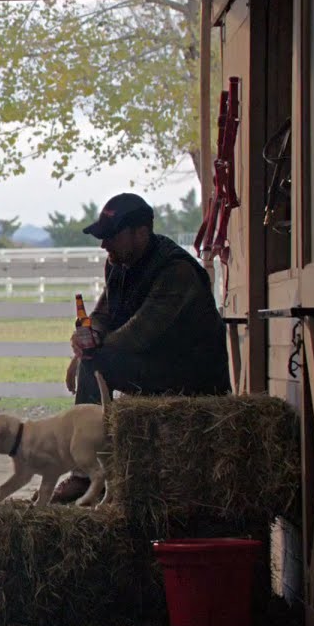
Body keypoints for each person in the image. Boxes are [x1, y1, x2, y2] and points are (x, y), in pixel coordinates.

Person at [52, 192, 231, 504]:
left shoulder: (177, 271)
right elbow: (104, 314)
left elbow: (139, 334)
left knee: (97, 363)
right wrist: (87, 334)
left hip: (191, 377)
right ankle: (90, 470)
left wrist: (88, 355)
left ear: (141, 233)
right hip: (158, 365)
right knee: (94, 360)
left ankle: (85, 475)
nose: (104, 245)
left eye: (111, 237)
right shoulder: (120, 264)